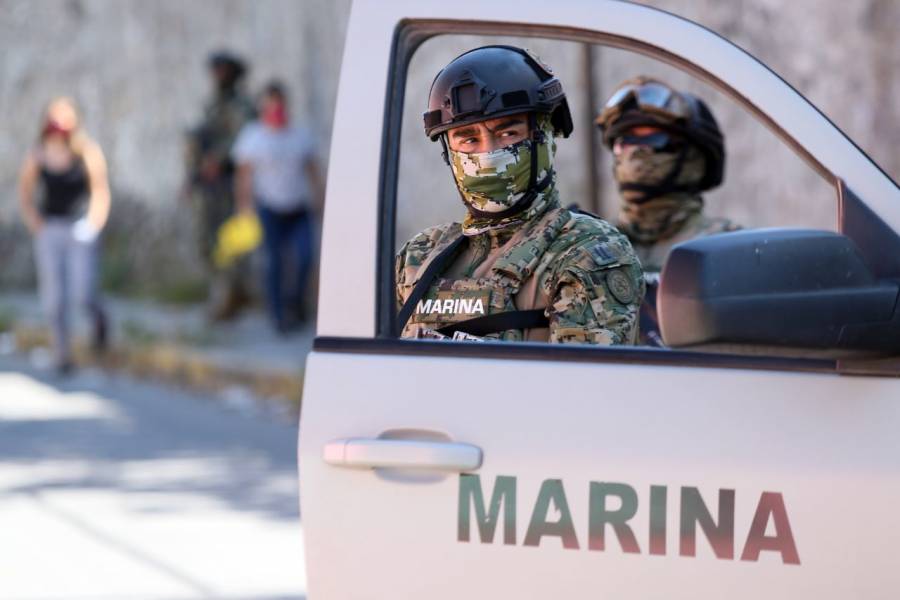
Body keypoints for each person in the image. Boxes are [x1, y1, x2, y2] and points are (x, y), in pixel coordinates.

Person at [396, 46, 643, 344]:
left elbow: (583, 387)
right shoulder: (419, 254)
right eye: (469, 139)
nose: (488, 153)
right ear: (449, 153)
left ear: (545, 136)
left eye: (507, 134)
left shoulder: (587, 252)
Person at [595, 76, 739, 345]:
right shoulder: (589, 248)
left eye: (654, 140)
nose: (635, 153)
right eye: (624, 141)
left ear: (695, 159)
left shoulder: (730, 250)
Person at [18, 97, 110, 374]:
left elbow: (100, 190)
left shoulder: (86, 151)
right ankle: (62, 355)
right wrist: (34, 221)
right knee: (54, 298)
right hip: (51, 229)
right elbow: (25, 192)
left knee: (83, 292)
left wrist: (93, 224)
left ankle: (99, 323)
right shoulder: (38, 154)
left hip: (80, 228)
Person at [232, 81, 324, 334]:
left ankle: (295, 305)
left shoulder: (299, 136)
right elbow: (243, 175)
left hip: (297, 209)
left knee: (305, 257)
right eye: (270, 106)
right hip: (269, 210)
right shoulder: (253, 136)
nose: (276, 111)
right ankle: (278, 316)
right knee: (273, 264)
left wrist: (320, 200)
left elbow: (313, 171)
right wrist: (244, 207)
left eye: (279, 105)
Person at [184, 50, 256, 321]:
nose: (217, 76)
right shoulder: (213, 105)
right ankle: (223, 295)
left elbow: (245, 140)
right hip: (209, 186)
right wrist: (192, 176)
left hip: (230, 184)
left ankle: (228, 299)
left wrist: (220, 158)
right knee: (207, 242)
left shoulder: (242, 106)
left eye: (222, 70)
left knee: (228, 243)